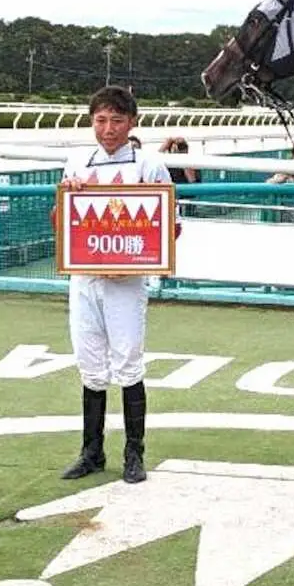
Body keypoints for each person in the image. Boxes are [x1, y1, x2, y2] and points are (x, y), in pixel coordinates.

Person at [58, 86, 174, 484]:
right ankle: (91, 451)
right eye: (101, 120)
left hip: (127, 282)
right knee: (89, 362)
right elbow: (61, 221)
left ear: (132, 122)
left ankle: (134, 453)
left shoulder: (150, 165)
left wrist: (138, 263)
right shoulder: (76, 161)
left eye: (117, 120)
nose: (108, 129)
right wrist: (66, 199)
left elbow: (169, 227)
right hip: (84, 278)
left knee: (127, 361)